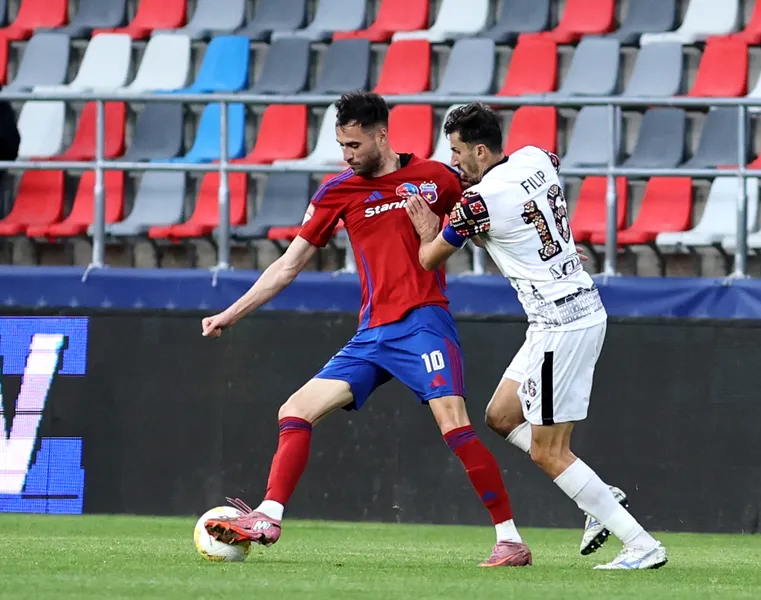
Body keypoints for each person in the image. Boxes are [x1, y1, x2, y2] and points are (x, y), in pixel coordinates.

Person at [199, 91, 532, 568]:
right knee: (295, 410)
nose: (347, 155)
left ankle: (510, 540)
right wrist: (232, 313)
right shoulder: (337, 191)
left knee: (454, 424)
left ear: (381, 136)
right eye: (342, 145)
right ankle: (268, 516)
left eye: (354, 145)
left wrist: (543, 251)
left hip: (423, 321)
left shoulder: (436, 178)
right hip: (373, 334)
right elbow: (288, 265)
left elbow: (484, 229)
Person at [404, 103, 668, 570]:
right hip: (570, 309)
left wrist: (428, 228)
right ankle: (597, 494)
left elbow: (429, 259)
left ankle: (640, 544)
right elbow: (531, 207)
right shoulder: (536, 157)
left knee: (549, 452)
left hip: (560, 324)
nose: (454, 161)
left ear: (480, 151)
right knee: (501, 415)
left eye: (458, 151)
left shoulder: (477, 202)